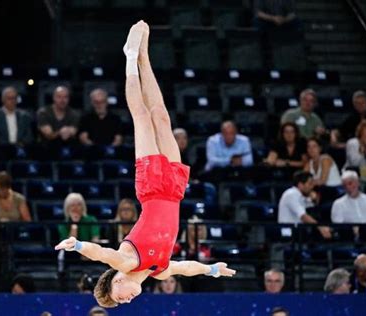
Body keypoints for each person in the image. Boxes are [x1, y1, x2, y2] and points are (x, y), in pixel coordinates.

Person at [54, 21, 236, 308]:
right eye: (123, 303)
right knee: (162, 117)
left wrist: (76, 245)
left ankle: (129, 57)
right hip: (174, 191)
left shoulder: (126, 262)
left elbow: (100, 253)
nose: (126, 301)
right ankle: (144, 56)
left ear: (116, 281)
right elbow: (185, 267)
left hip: (152, 189)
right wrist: (211, 269)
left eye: (119, 297)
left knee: (141, 117)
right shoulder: (159, 270)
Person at [278, 171, 331, 239]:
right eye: (310, 184)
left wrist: (314, 200)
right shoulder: (291, 194)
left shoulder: (302, 196)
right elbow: (303, 216)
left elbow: (313, 208)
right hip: (289, 234)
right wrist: (320, 227)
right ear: (300, 185)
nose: (312, 186)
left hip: (299, 232)